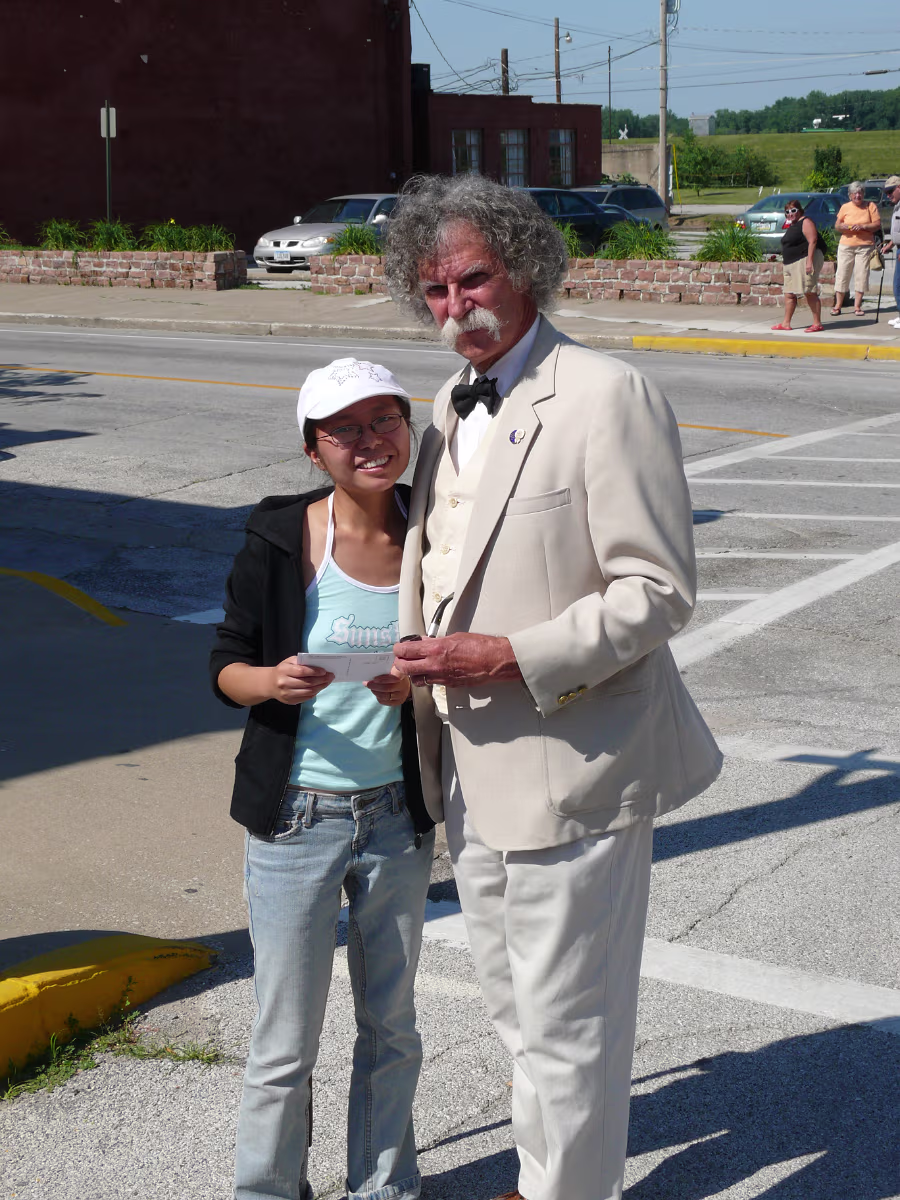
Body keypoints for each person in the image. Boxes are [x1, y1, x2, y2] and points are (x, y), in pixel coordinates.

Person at [383, 175, 723, 1200]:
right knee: (515, 1010)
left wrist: (510, 656)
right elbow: (441, 560)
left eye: (473, 279)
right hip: (470, 770)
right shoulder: (448, 405)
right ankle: (547, 1181)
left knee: (571, 1022)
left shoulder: (605, 394)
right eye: (435, 291)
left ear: (527, 266)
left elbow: (657, 591)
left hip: (575, 767)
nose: (456, 307)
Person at [210, 358, 436, 1200]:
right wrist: (273, 681)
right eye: (345, 429)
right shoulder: (280, 539)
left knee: (392, 1026)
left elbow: (459, 657)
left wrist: (417, 686)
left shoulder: (436, 533)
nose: (370, 441)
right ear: (314, 450)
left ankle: (384, 1188)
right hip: (295, 819)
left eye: (385, 420)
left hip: (397, 819)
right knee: (284, 1041)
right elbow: (226, 666)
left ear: (407, 430)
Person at [771, 199, 826, 332]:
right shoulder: (793, 225)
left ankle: (817, 323)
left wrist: (809, 262)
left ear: (800, 211)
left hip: (803, 260)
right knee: (789, 294)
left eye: (793, 210)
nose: (790, 213)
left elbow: (813, 241)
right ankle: (786, 323)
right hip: (790, 263)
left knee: (809, 291)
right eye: (787, 212)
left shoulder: (805, 221)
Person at [832, 181, 881, 316]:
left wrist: (863, 226)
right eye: (855, 193)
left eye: (860, 193)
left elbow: (877, 224)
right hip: (846, 245)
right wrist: (843, 227)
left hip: (865, 246)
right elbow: (837, 225)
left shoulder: (870, 206)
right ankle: (838, 305)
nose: (857, 196)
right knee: (842, 274)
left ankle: (857, 307)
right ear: (850, 195)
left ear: (863, 194)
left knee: (861, 275)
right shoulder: (845, 207)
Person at [882, 175, 900, 329]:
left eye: (890, 191)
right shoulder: (898, 205)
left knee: (898, 286)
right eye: (886, 192)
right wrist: (890, 245)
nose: (888, 195)